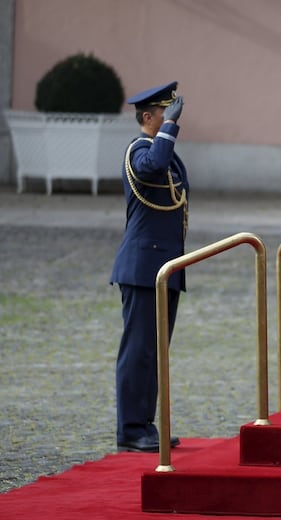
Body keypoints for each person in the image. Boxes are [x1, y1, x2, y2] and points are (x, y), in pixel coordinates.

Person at [110, 81, 189, 452]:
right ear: (147, 117)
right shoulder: (139, 150)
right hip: (143, 267)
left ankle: (144, 423)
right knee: (138, 350)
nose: (170, 119)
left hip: (165, 266)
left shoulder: (165, 153)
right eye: (164, 114)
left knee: (155, 351)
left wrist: (168, 133)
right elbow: (151, 168)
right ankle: (129, 428)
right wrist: (169, 130)